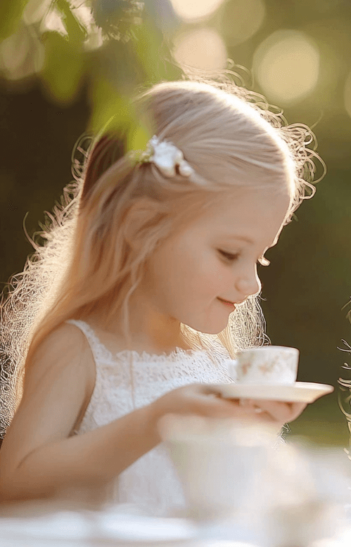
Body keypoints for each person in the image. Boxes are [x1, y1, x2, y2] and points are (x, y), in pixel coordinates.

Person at [0, 81, 317, 514]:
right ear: (140, 227)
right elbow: (14, 481)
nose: (251, 283)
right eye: (230, 254)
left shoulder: (211, 360)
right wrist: (155, 422)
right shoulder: (81, 349)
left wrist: (252, 429)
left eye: (259, 259)